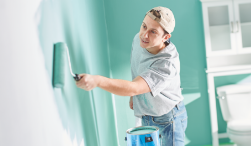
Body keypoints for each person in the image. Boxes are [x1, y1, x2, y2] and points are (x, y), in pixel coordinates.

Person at [76, 6, 187, 146]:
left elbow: (134, 87)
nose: (144, 35)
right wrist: (134, 95)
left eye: (153, 32)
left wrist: (97, 81)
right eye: (144, 26)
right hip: (148, 113)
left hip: (168, 119)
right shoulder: (139, 39)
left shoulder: (167, 64)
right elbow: (138, 68)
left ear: (165, 37)